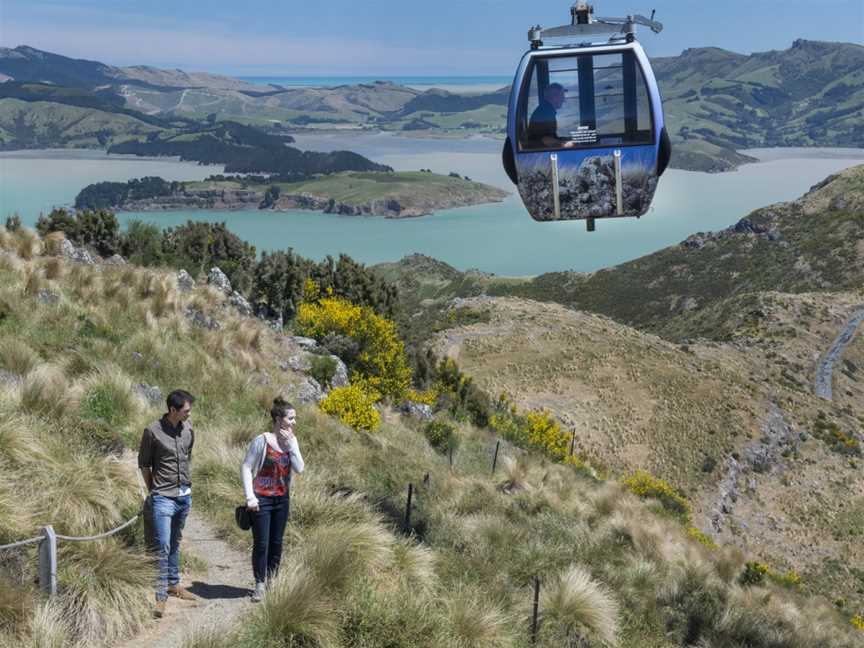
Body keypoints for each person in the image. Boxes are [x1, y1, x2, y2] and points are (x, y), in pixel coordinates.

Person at [138, 389, 198, 619]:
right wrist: (154, 490)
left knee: (175, 541)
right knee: (162, 545)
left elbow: (187, 456)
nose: (189, 413)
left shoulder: (189, 429)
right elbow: (144, 464)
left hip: (184, 496)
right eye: (185, 410)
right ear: (172, 410)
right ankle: (160, 595)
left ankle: (174, 584)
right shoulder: (152, 431)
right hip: (163, 496)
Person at [241, 397, 305, 602]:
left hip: (282, 500)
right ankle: (259, 584)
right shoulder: (262, 440)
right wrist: (250, 497)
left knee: (277, 543)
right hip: (261, 500)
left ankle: (272, 580)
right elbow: (246, 467)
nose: (294, 422)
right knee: (262, 543)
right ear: (278, 419)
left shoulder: (292, 442)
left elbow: (300, 468)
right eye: (291, 418)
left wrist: (291, 446)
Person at [527, 83, 577, 150]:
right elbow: (545, 139)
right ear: (554, 97)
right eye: (562, 96)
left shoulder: (546, 109)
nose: (564, 100)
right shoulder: (545, 113)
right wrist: (564, 144)